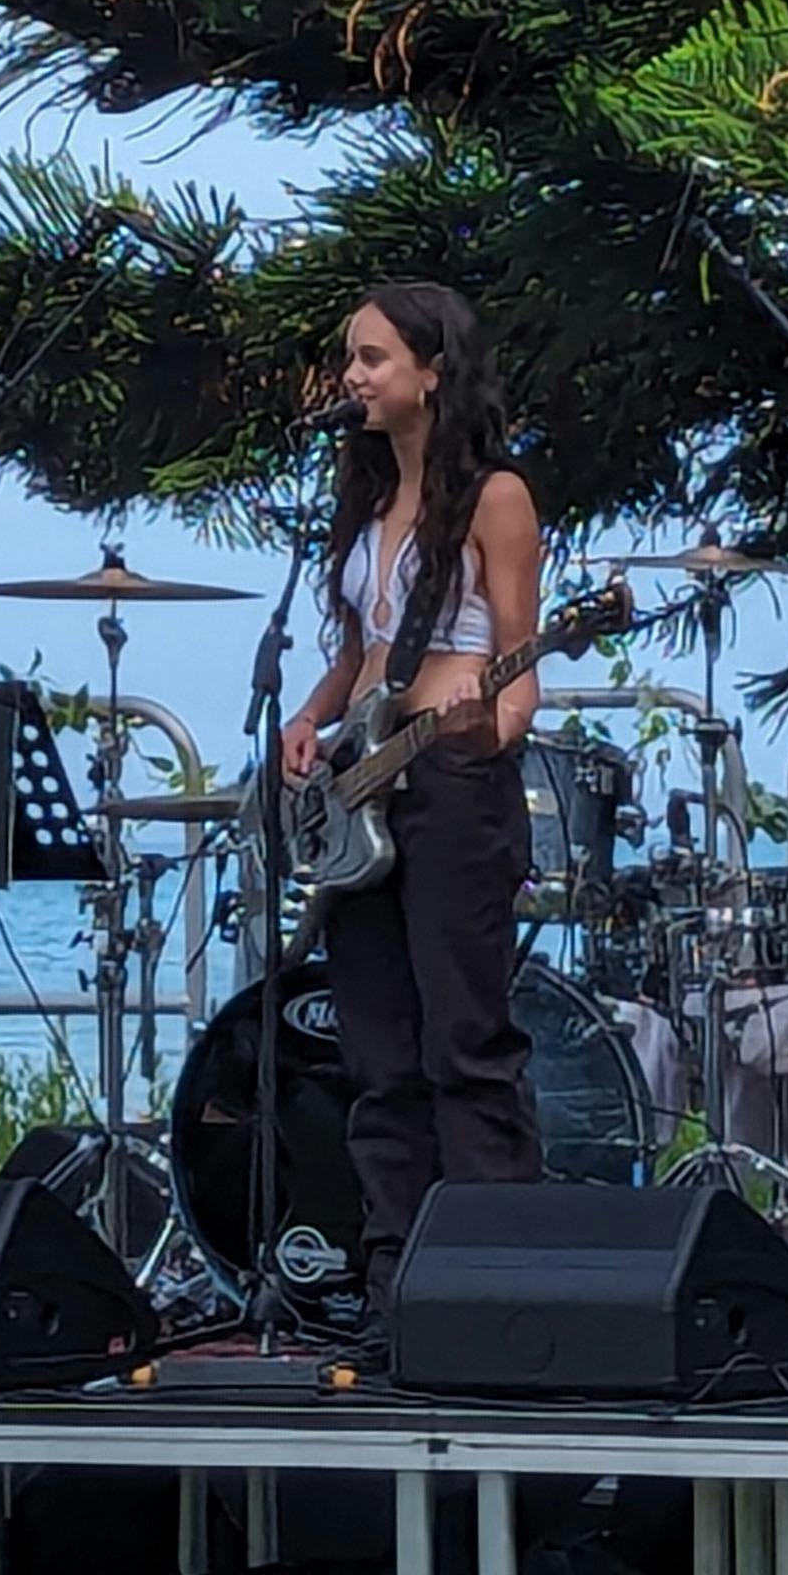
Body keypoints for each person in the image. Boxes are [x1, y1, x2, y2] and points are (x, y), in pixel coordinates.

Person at [275, 282, 548, 1322]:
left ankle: (495, 1282)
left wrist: (489, 731)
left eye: (373, 358)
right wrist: (310, 719)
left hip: (451, 785)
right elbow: (363, 654)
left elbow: (519, 666)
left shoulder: (495, 498)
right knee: (379, 1053)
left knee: (463, 1042)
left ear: (433, 373)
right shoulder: (367, 497)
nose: (353, 377)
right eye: (352, 358)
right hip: (362, 784)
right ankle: (397, 1284)